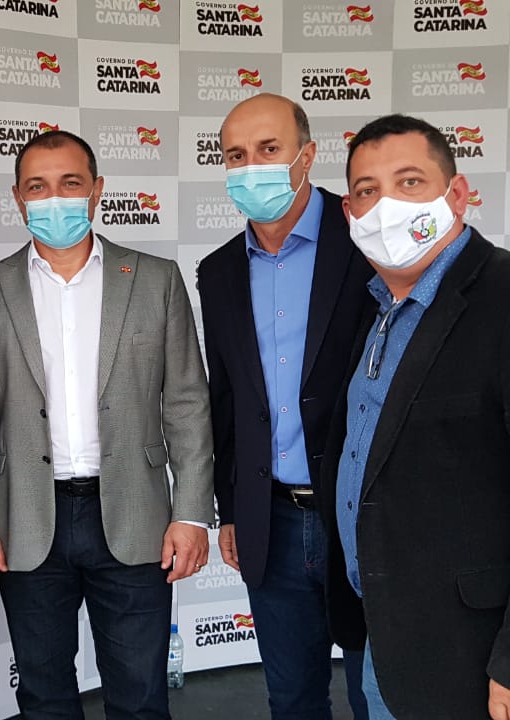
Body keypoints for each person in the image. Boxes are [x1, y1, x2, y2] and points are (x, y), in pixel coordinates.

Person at [320, 113, 510, 720]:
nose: (386, 206)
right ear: (349, 212)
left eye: (410, 182)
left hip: (491, 669)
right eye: (367, 191)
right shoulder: (376, 311)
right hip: (391, 647)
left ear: (456, 195)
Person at [0, 129, 215, 720]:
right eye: (37, 187)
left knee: (141, 698)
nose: (55, 198)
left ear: (97, 190)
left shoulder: (155, 279)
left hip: (136, 516)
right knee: (44, 698)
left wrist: (190, 513)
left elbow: (186, 402)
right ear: (19, 199)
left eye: (70, 183)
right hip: (25, 519)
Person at [197, 93, 371, 720]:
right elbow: (226, 400)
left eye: (269, 149)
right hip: (269, 522)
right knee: (293, 700)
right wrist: (230, 509)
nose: (252, 167)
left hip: (364, 517)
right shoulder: (218, 271)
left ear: (307, 154)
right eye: (235, 155)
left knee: (380, 696)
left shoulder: (368, 240)